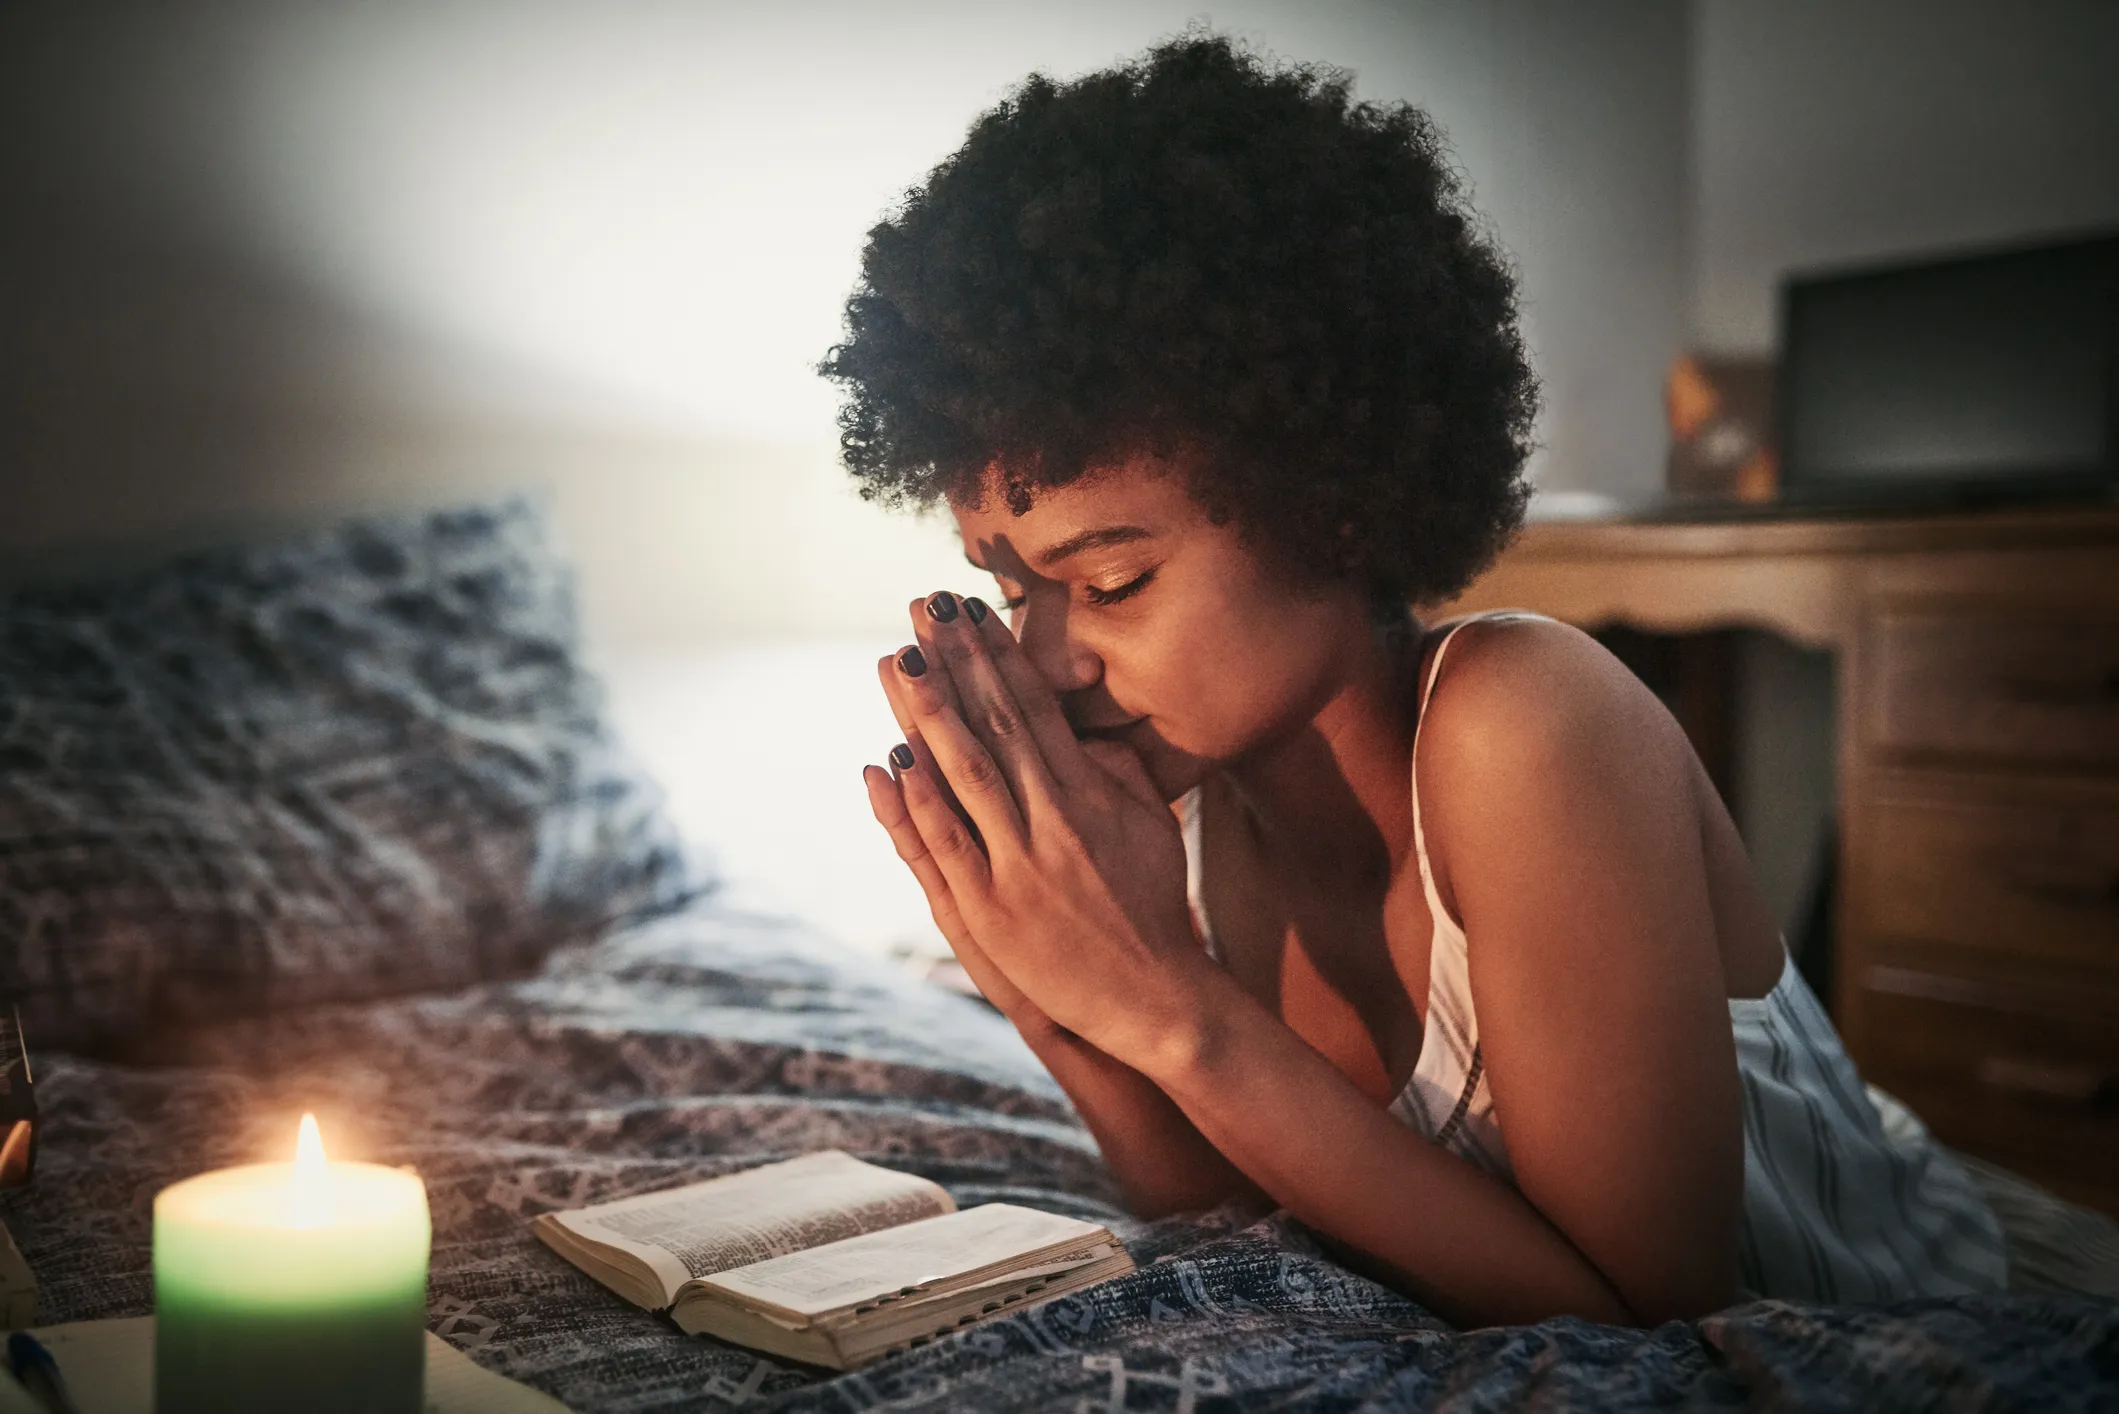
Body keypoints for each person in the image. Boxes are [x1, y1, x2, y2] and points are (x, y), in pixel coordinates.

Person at [823, 32, 2004, 1328]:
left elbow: (1654, 1321)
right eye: (1009, 593)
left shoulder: (1525, 722)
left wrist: (1168, 998)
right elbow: (1219, 1203)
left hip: (1903, 1303)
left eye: (1110, 584)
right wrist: (1052, 995)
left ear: (1328, 505)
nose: (1049, 658)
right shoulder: (1187, 793)